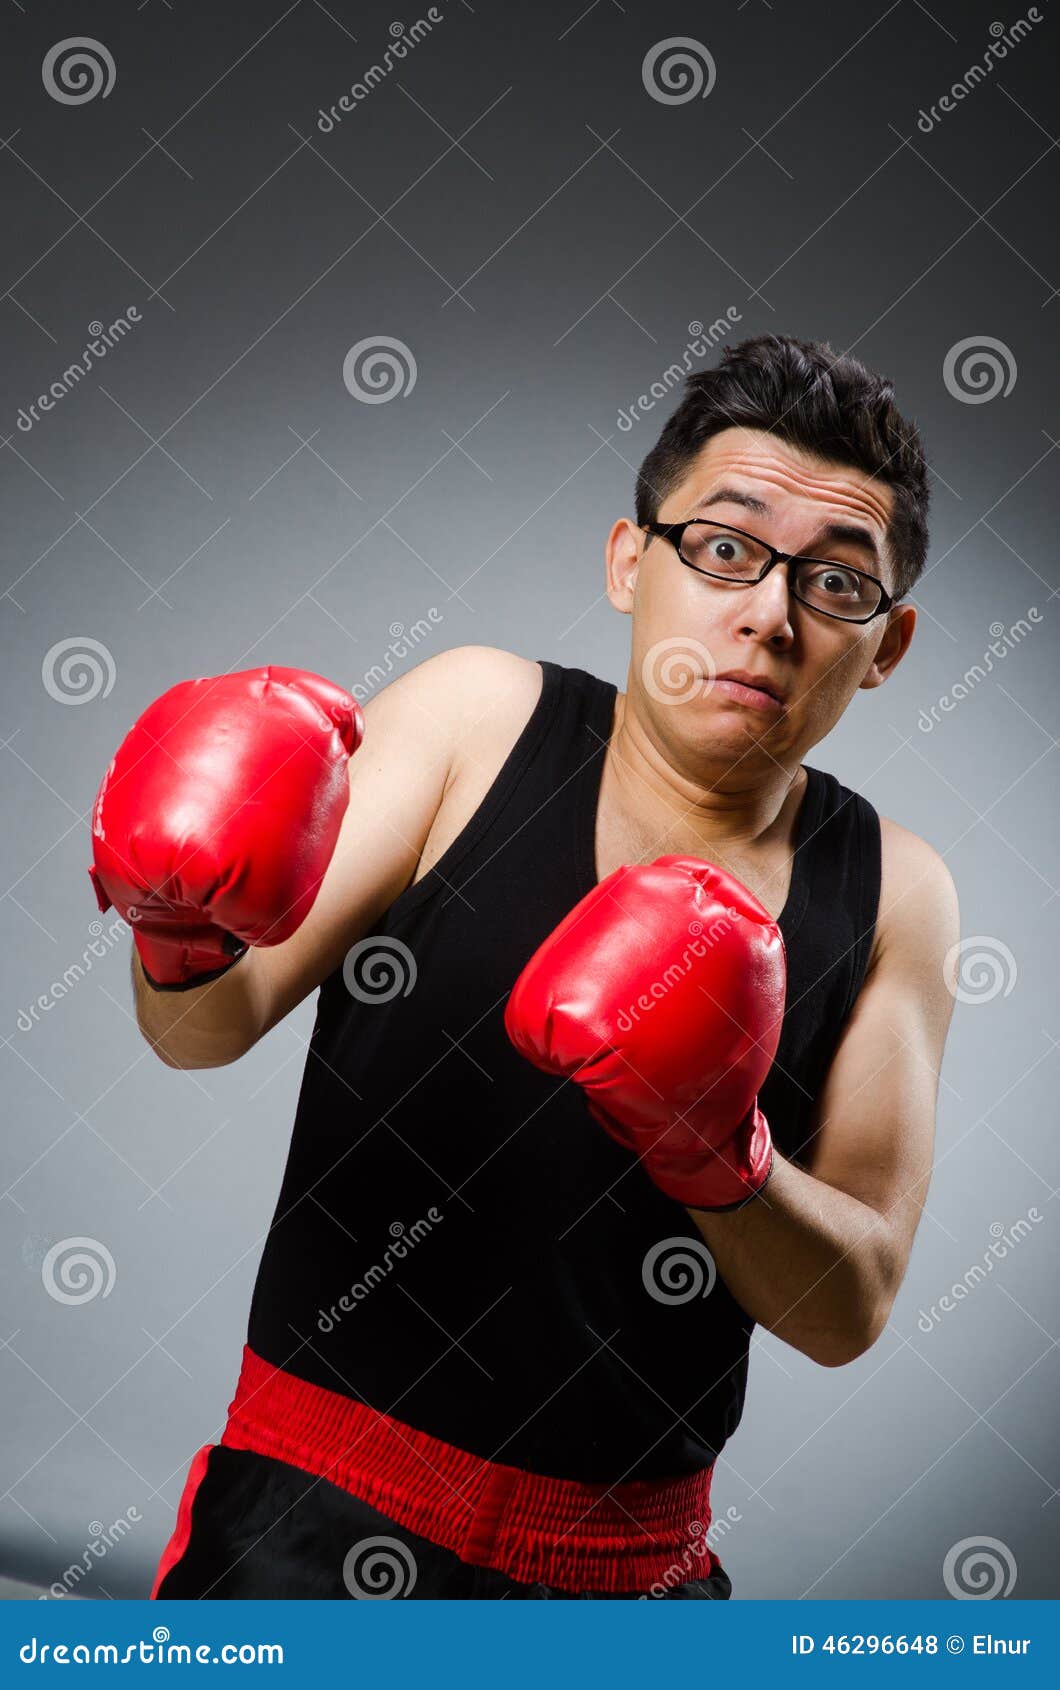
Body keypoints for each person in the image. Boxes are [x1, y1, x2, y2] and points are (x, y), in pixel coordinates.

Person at [89, 334, 959, 1599]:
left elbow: (849, 1304)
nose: (768, 614)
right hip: (310, 1528)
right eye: (724, 548)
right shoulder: (475, 721)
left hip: (629, 1587)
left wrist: (718, 1151)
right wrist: (177, 929)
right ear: (629, 563)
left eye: (835, 586)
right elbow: (203, 1028)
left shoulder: (896, 890)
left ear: (885, 644)